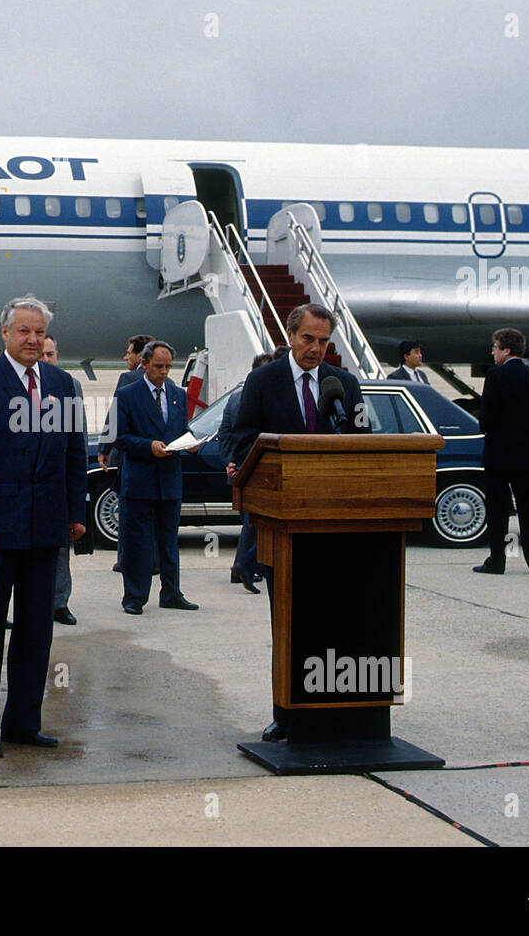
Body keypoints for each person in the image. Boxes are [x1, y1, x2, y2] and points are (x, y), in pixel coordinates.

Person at [0, 296, 87, 758]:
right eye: (23, 331)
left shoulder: (63, 384)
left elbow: (72, 452)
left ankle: (24, 722)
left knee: (35, 630)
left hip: (46, 527)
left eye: (39, 333)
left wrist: (74, 514)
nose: (32, 340)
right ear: (5, 334)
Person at [229, 304, 370, 743]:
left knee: (336, 619)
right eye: (308, 339)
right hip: (282, 525)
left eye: (324, 340)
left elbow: (366, 442)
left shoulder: (343, 383)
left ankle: (337, 709)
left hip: (336, 528)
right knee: (289, 622)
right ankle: (286, 713)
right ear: (291, 336)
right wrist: (241, 469)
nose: (316, 348)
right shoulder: (263, 380)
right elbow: (240, 438)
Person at [114, 340, 198, 615]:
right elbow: (120, 438)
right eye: (159, 366)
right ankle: (134, 597)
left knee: (169, 541)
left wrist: (190, 442)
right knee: (137, 543)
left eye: (168, 367)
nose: (164, 372)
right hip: (140, 481)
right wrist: (147, 446)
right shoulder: (127, 395)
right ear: (145, 364)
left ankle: (171, 592)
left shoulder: (176, 394)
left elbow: (181, 429)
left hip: (170, 481)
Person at [474, 327, 529, 577]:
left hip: (499, 455)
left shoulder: (495, 377)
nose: (492, 352)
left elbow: (486, 419)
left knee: (498, 511)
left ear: (506, 351)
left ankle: (498, 561)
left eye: (495, 348)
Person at [98, 334, 154, 574]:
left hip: (129, 456)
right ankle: (152, 560)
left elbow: (115, 416)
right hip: (155, 457)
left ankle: (125, 559)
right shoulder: (165, 381)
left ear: (140, 356)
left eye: (129, 352)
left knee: (128, 513)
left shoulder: (128, 378)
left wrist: (103, 448)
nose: (125, 357)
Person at [220, 352, 273, 594]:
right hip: (255, 470)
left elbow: (226, 434)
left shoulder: (234, 398)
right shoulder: (253, 398)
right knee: (254, 522)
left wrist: (230, 461)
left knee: (250, 523)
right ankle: (244, 565)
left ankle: (244, 566)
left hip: (240, 468)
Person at [41, 333, 83, 625]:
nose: (46, 359)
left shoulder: (69, 385)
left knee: (59, 551)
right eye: (42, 354)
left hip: (56, 487)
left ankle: (59, 603)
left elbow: (75, 443)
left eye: (51, 354)